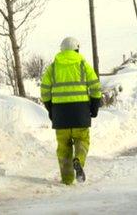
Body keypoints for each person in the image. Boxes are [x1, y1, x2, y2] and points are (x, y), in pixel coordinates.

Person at [40, 37, 102, 185]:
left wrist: (51, 109)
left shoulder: (53, 67)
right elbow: (95, 86)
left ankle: (67, 180)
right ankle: (78, 160)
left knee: (63, 148)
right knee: (82, 140)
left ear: (62, 50)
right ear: (77, 49)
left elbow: (44, 90)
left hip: (60, 115)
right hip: (80, 113)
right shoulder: (82, 64)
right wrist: (94, 107)